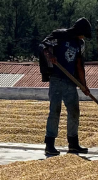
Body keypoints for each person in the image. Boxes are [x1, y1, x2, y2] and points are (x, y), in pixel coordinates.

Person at [36, 17, 93, 157]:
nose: (83, 36)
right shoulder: (60, 35)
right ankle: (49, 145)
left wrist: (84, 86)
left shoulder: (80, 44)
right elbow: (43, 45)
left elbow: (79, 65)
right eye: (82, 33)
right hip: (56, 78)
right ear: (78, 30)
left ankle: (73, 144)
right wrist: (49, 54)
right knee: (55, 111)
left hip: (70, 82)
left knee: (74, 112)